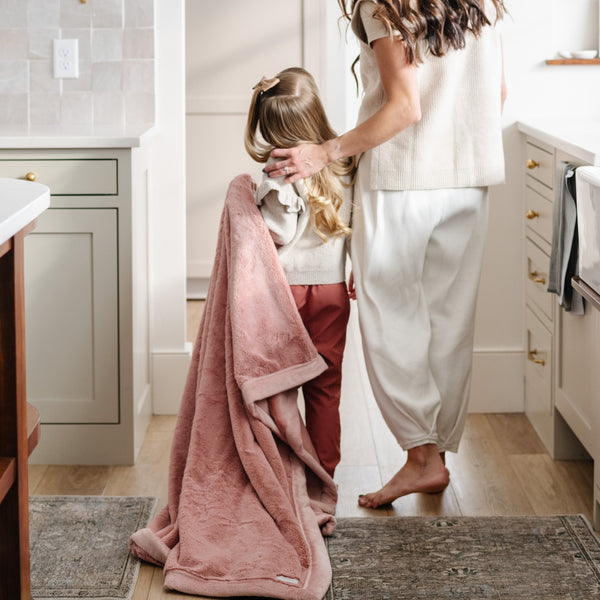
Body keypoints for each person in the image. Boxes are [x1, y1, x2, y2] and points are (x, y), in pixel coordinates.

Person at [265, 0, 507, 507]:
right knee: (450, 319)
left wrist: (324, 152)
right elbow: (497, 94)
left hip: (403, 178)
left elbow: (404, 107)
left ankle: (421, 457)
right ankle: (434, 456)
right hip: (470, 174)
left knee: (389, 314)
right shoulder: (482, 3)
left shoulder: (387, 5)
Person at [245, 67, 356, 478]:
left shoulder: (279, 169)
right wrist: (357, 267)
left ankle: (282, 473)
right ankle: (324, 476)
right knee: (326, 389)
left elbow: (279, 231)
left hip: (284, 294)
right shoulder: (344, 162)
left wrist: (253, 207)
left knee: (280, 387)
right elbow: (358, 224)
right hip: (331, 291)